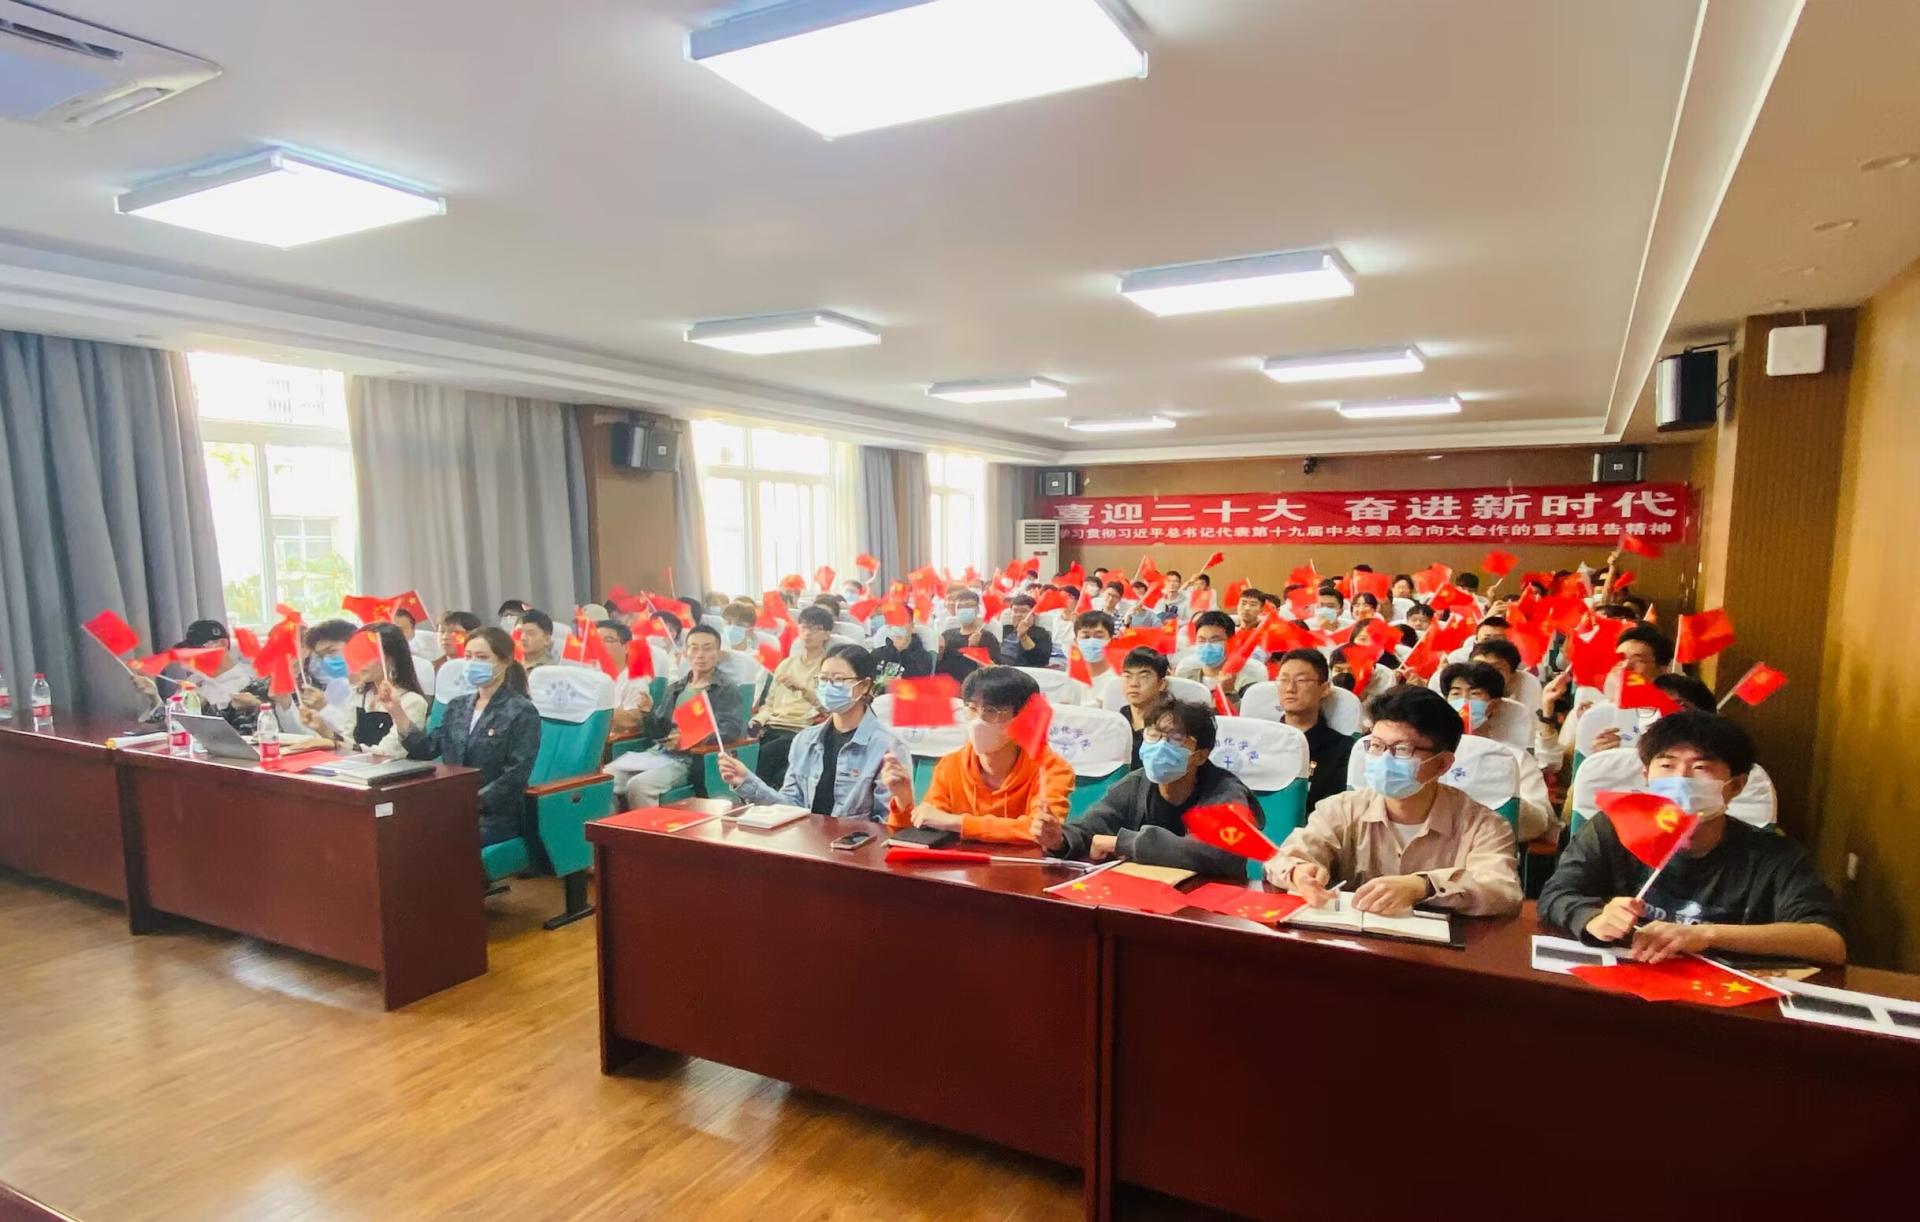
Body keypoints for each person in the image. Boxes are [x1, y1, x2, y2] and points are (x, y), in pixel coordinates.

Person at [1539, 712, 1845, 964]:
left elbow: (1828, 942)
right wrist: (1592, 918)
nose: (1681, 778)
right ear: (1646, 776)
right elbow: (1557, 894)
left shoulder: (1774, 856)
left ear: (1736, 785)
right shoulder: (1614, 828)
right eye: (1667, 765)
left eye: (1701, 767)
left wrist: (1706, 935)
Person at [1266, 686, 1522, 916]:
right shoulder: (1341, 809)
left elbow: (1501, 890)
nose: (1384, 760)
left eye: (1402, 750)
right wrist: (1298, 872)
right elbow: (1281, 859)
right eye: (1377, 746)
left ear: (1442, 764)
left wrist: (1424, 886)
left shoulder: (1483, 826)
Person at [1035, 698, 1259, 875]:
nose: (1160, 746)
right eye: (1153, 734)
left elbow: (1222, 852)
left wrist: (1124, 843)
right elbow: (1093, 827)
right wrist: (1060, 840)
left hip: (1208, 903)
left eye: (1175, 739)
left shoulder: (1225, 790)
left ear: (1200, 756)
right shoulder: (1136, 783)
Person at [384, 626, 541, 847]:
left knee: (440, 842)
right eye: (468, 657)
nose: (473, 663)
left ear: (505, 661)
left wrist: (471, 802)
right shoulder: (458, 706)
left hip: (495, 815)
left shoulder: (521, 710)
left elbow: (516, 774)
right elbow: (425, 749)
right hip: (452, 806)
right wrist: (396, 710)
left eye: (482, 657)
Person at [720, 644, 913, 819]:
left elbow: (887, 821)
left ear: (863, 686)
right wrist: (746, 781)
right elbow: (790, 808)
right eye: (823, 679)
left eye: (838, 680)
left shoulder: (888, 746)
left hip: (854, 843)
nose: (829, 686)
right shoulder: (805, 740)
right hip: (806, 839)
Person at [889, 666, 1072, 843]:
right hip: (960, 863)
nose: (978, 721)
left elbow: (1043, 833)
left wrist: (958, 823)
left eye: (991, 710)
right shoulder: (950, 765)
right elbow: (927, 824)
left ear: (1024, 717)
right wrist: (904, 803)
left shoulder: (1052, 769)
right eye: (972, 708)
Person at [615, 623, 748, 810]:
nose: (700, 655)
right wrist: (647, 712)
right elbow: (658, 732)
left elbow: (731, 730)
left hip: (689, 759)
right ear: (686, 653)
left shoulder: (726, 689)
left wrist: (689, 740)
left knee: (639, 785)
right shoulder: (677, 687)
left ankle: (648, 829)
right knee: (608, 779)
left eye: (707, 648)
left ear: (718, 654)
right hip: (659, 753)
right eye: (694, 648)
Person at [1435, 661, 1557, 842]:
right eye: (1456, 693)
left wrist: (1505, 800)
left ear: (1494, 704)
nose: (1464, 701)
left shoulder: (1513, 757)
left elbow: (1541, 819)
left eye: (1475, 694)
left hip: (1493, 842)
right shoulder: (1432, 754)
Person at [304, 622, 428, 758]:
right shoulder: (360, 694)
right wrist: (323, 730)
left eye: (366, 655)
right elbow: (349, 741)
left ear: (390, 659)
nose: (358, 663)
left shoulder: (412, 701)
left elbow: (388, 753)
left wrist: (338, 744)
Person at [131, 619, 269, 731]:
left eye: (199, 648)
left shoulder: (249, 681)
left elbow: (251, 729)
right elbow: (171, 722)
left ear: (222, 644)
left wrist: (202, 703)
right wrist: (154, 696)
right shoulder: (194, 680)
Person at [752, 604, 835, 784]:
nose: (808, 633)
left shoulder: (829, 668)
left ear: (827, 634)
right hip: (772, 726)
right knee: (744, 750)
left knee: (766, 753)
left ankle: (755, 795)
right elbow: (769, 704)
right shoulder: (786, 664)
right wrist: (758, 721)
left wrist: (803, 689)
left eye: (815, 629)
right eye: (804, 627)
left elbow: (828, 707)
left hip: (801, 728)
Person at [1272, 649, 1357, 809]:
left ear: (1324, 689)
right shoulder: (1262, 741)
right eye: (1283, 680)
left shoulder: (1344, 749)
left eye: (1301, 680)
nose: (1290, 688)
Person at [1174, 610, 1259, 705]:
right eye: (1201, 640)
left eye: (1215, 640)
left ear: (1232, 643)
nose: (1207, 646)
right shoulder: (1184, 678)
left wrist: (1228, 693)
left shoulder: (1246, 684)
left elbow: (1246, 713)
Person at [595, 619, 654, 736]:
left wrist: (593, 714)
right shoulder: (591, 676)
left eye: (607, 640)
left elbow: (632, 720)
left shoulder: (635, 682)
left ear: (627, 647)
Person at [1116, 646, 1171, 767]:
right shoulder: (1116, 721)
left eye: (1144, 677)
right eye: (1128, 676)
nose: (1134, 683)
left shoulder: (1171, 725)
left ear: (1162, 684)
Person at [999, 594, 1054, 668]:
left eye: (1023, 611)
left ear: (1033, 615)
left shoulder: (1041, 633)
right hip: (997, 667)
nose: (1018, 615)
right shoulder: (1004, 629)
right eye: (1015, 611)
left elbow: (1041, 661)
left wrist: (1024, 637)